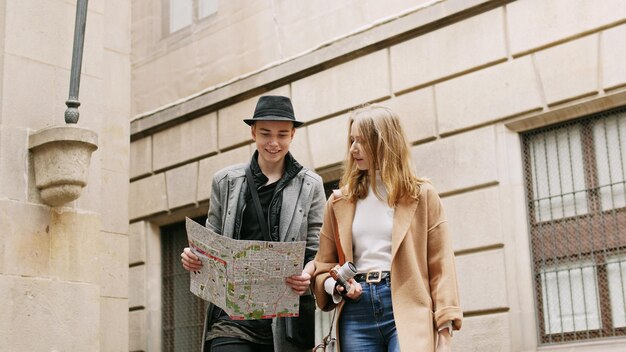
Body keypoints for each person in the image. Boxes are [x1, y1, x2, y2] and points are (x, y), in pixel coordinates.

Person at [181, 95, 326, 352]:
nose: (273, 142)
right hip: (232, 317)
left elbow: (317, 249)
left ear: (292, 135)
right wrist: (194, 257)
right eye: (265, 133)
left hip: (286, 317)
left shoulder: (310, 184)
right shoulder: (225, 181)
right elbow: (210, 241)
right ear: (253, 133)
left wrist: (307, 273)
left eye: (282, 134)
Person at [312, 104, 462, 352]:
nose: (353, 149)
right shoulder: (339, 202)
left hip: (408, 306)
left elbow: (441, 266)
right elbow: (322, 268)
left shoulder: (422, 195)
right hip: (356, 312)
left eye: (361, 141)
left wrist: (444, 334)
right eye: (351, 140)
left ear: (383, 142)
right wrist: (336, 285)